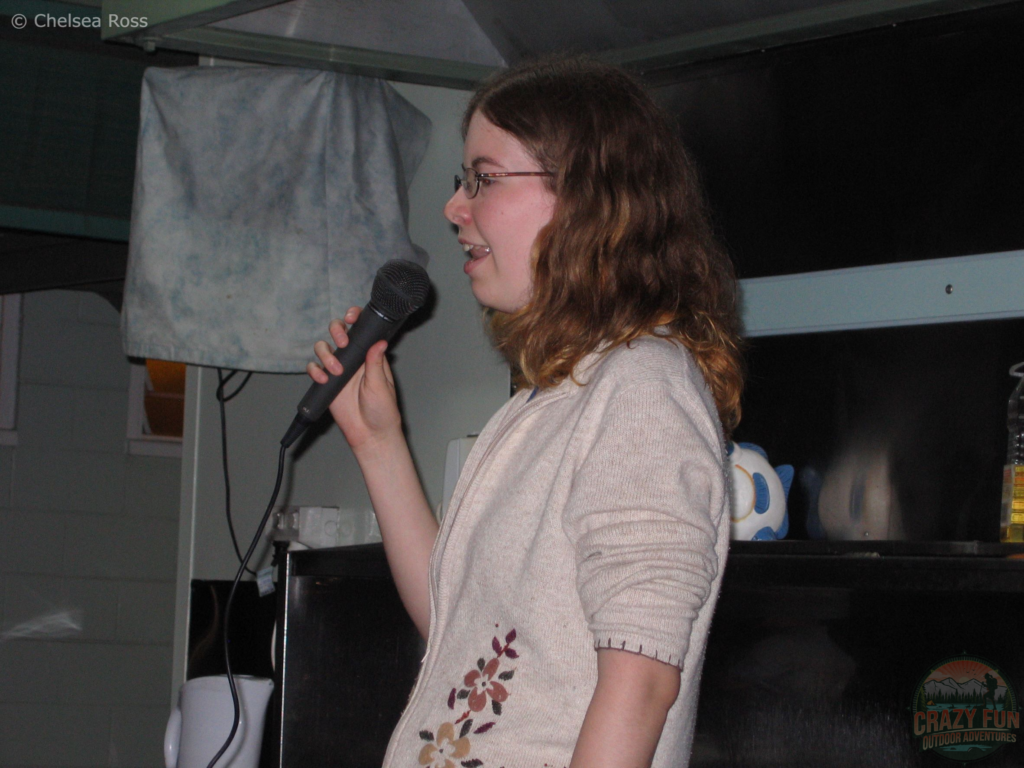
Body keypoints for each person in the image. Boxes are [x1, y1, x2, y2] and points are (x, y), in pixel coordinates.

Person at [307, 55, 743, 768]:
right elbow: (458, 629)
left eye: (483, 177)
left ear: (585, 198)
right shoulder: (558, 396)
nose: (455, 207)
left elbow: (640, 685)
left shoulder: (642, 389)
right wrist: (377, 443)